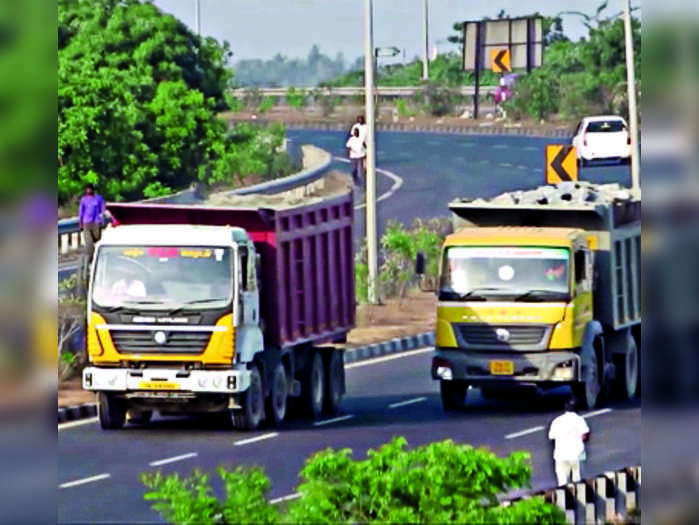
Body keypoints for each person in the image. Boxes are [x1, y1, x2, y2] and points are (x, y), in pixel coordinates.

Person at [548, 397, 590, 486]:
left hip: (561, 455)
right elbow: (585, 436)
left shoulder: (557, 421)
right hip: (577, 455)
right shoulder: (580, 420)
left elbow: (552, 439)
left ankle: (563, 498)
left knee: (562, 483)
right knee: (578, 483)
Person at [78, 183, 105, 261]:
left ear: (93, 190)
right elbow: (81, 212)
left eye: (90, 189)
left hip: (96, 222)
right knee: (89, 243)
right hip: (86, 223)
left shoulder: (98, 198)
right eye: (87, 189)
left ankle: (98, 257)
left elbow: (102, 210)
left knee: (97, 240)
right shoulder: (84, 199)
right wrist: (80, 223)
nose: (88, 190)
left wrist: (102, 220)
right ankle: (89, 259)